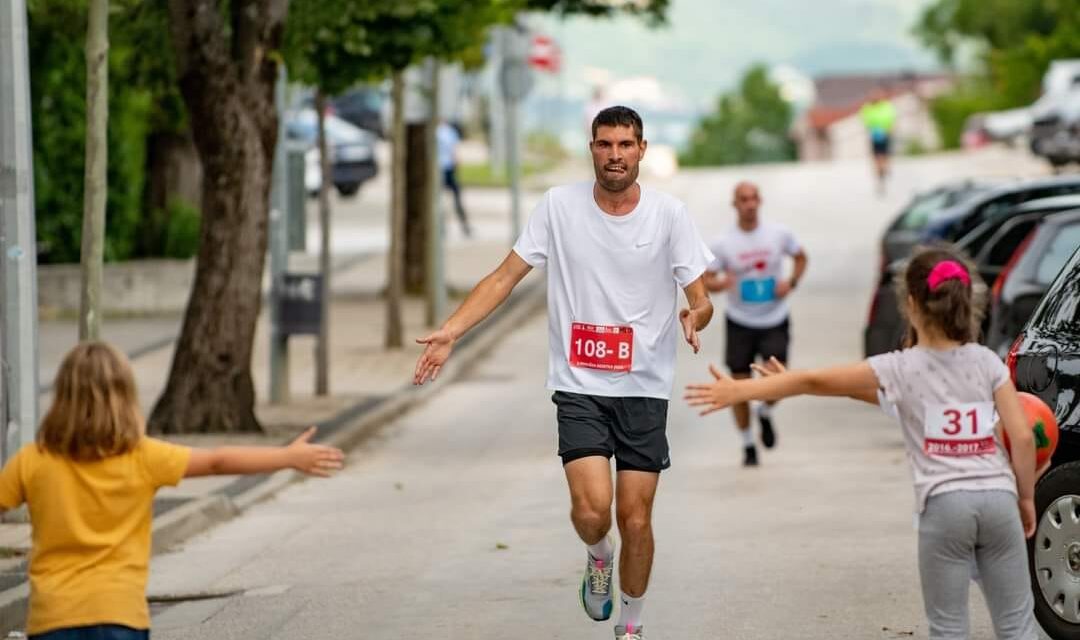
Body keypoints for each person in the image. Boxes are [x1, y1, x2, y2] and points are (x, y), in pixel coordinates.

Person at [413, 106, 714, 640]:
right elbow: (506, 276)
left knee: (637, 519)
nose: (615, 155)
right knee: (593, 511)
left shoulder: (669, 214)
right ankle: (598, 556)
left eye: (625, 145)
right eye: (605, 144)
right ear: (592, 148)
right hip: (579, 383)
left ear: (641, 150)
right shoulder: (558, 206)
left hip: (644, 386)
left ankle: (631, 627)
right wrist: (452, 330)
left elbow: (700, 296)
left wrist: (696, 315)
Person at [686, 247, 1040, 640]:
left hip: (946, 505)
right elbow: (1022, 436)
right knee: (1016, 626)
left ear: (910, 303)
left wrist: (741, 390)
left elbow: (815, 381)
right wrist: (1024, 497)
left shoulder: (899, 366)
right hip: (998, 499)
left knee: (949, 628)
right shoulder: (986, 361)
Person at [0, 342, 345, 640]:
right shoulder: (144, 456)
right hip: (120, 613)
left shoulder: (33, 461)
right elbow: (217, 462)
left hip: (54, 617)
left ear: (62, 396)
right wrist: (286, 456)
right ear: (126, 397)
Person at [703, 182, 807, 467]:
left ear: (759, 201)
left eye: (753, 199)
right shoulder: (723, 243)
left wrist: (792, 282)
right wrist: (721, 283)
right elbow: (705, 279)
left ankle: (764, 411)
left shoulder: (778, 234)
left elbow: (800, 257)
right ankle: (748, 444)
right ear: (734, 204)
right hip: (740, 322)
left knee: (778, 381)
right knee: (738, 387)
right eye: (743, 200)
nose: (749, 204)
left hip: (774, 318)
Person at [437, 120, 471, 237]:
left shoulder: (437, 131)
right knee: (455, 199)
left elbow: (454, 152)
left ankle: (444, 228)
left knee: (441, 201)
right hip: (447, 168)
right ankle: (464, 226)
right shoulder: (450, 132)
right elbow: (455, 152)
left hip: (442, 169)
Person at [861, 88, 897, 195]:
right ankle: (880, 174)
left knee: (884, 155)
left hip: (885, 134)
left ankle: (884, 169)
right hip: (875, 135)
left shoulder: (886, 106)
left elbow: (891, 119)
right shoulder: (868, 107)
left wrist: (888, 130)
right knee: (877, 156)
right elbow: (865, 120)